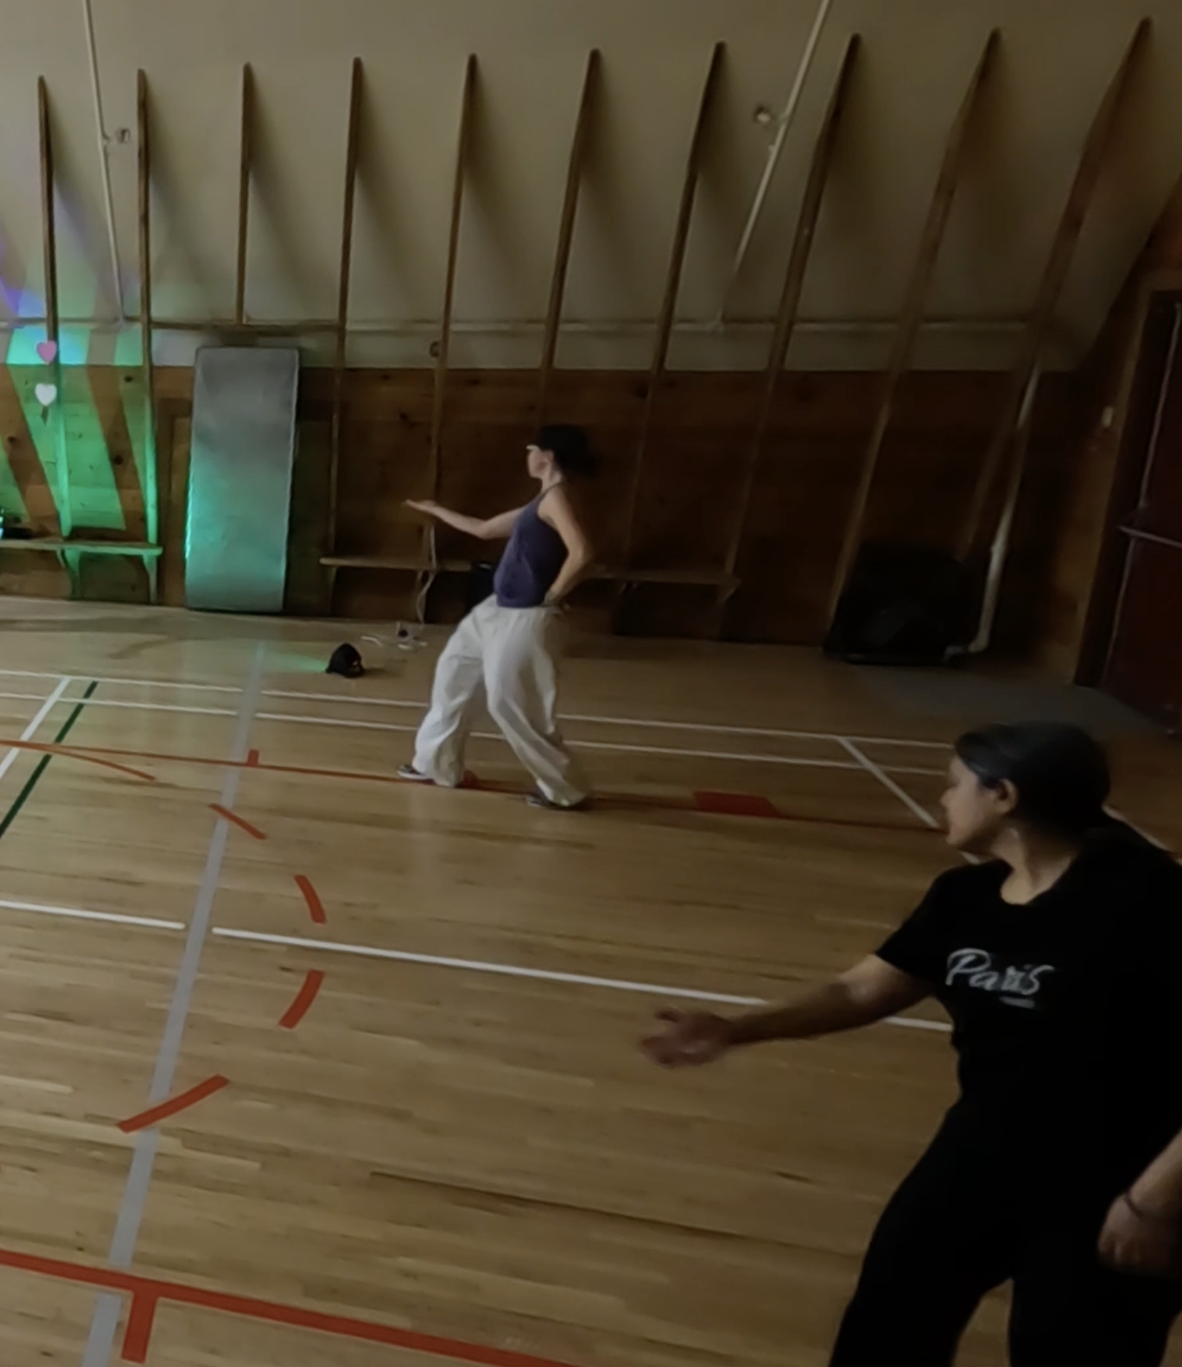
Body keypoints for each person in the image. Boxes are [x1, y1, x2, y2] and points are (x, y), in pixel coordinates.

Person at [643, 722, 1182, 1363]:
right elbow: (860, 992)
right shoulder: (966, 897)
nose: (942, 799)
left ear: (1003, 795)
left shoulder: (1151, 900)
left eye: (955, 785)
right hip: (977, 1155)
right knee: (886, 1329)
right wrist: (738, 1028)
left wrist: (1154, 1203)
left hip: (1121, 1184)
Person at [397, 424, 597, 809]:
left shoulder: (558, 499)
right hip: (494, 612)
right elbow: (485, 529)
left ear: (547, 456)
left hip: (526, 617)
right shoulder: (540, 502)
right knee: (454, 675)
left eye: (531, 449)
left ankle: (566, 789)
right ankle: (435, 763)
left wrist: (552, 596)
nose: (527, 456)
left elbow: (583, 552)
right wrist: (436, 509)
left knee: (511, 703)